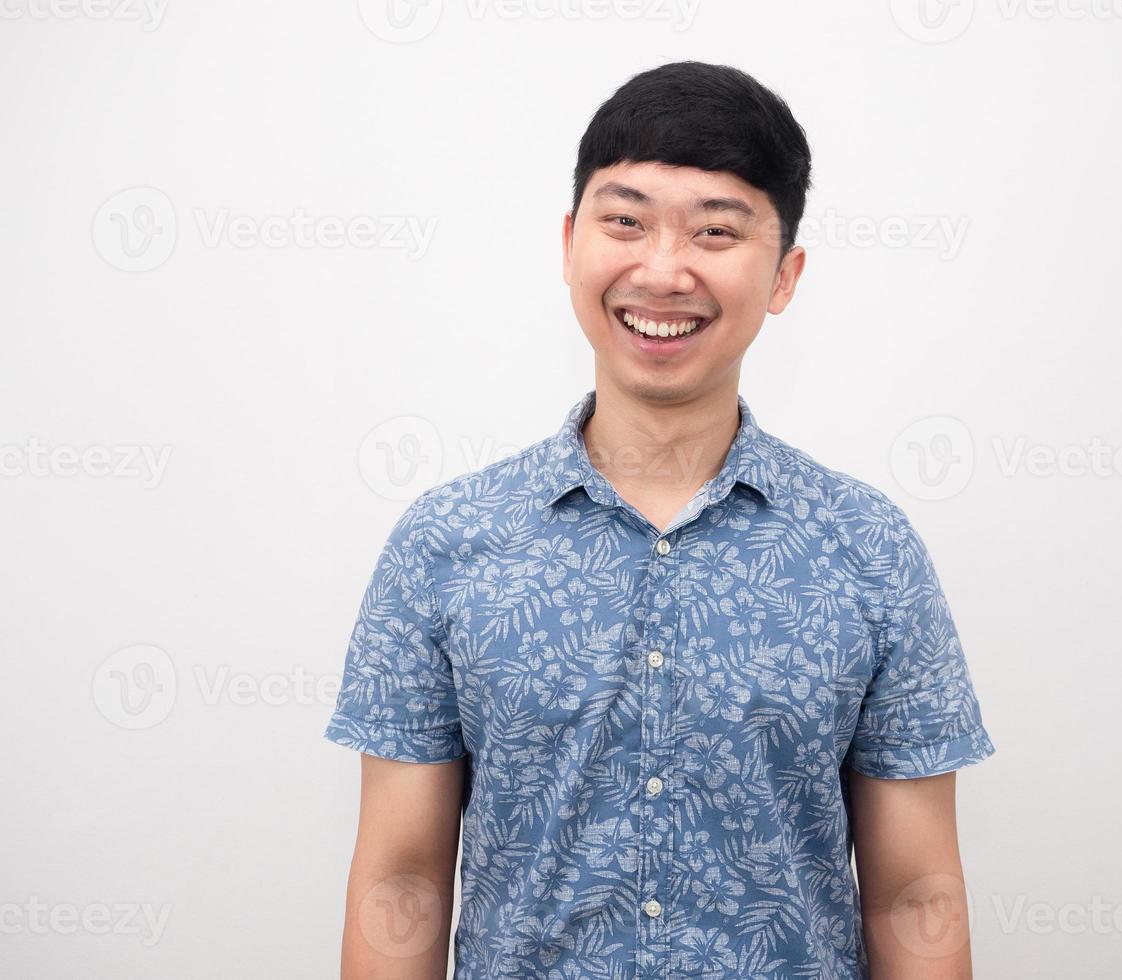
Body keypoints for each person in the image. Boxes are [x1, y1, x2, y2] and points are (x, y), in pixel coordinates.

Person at [324, 60, 996, 980]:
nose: (663, 270)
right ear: (570, 243)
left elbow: (912, 890)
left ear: (784, 274)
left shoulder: (866, 549)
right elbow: (402, 880)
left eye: (716, 230)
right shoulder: (447, 544)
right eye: (625, 222)